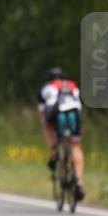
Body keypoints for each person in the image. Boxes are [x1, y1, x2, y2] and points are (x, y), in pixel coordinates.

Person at [37, 67, 85, 201]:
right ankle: (79, 182)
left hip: (56, 114)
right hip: (75, 115)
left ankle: (54, 151)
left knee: (45, 125)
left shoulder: (46, 87)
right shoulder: (72, 85)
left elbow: (43, 110)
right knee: (75, 146)